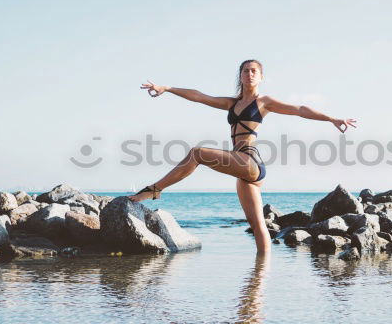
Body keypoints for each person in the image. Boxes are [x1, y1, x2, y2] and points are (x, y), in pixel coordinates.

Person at [128, 59, 357, 253]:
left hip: (250, 161)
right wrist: (166, 88)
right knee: (258, 226)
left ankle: (155, 189)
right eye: (245, 71)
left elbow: (299, 109)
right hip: (243, 168)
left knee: (197, 153)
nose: (249, 74)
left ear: (261, 77)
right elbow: (199, 96)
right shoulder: (232, 103)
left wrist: (332, 119)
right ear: (240, 76)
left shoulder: (263, 102)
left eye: (254, 71)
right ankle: (259, 284)